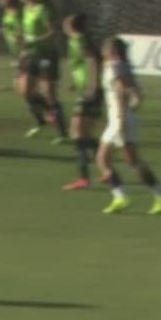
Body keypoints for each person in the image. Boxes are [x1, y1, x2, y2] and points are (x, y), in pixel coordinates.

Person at [96, 38, 161, 215]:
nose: (102, 50)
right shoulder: (116, 66)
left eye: (105, 47)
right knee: (103, 158)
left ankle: (160, 195)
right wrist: (131, 110)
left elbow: (122, 92)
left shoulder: (116, 67)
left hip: (120, 119)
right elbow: (138, 95)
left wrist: (122, 118)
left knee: (132, 161)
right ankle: (120, 197)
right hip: (118, 118)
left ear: (112, 50)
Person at [16, 0, 69, 143]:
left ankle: (62, 132)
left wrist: (34, 41)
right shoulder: (26, 9)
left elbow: (52, 33)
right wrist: (23, 49)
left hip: (47, 56)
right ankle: (42, 120)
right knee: (26, 90)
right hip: (32, 55)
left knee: (49, 94)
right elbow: (26, 33)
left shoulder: (43, 9)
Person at [61, 13, 103, 190]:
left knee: (77, 135)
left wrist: (92, 86)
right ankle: (104, 165)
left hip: (89, 92)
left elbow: (94, 61)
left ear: (70, 25)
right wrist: (75, 82)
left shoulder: (79, 40)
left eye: (66, 22)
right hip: (87, 90)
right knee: (81, 135)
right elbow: (82, 64)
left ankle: (84, 178)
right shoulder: (76, 40)